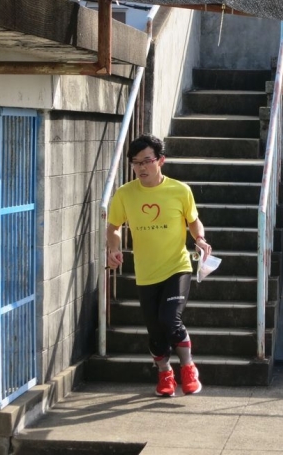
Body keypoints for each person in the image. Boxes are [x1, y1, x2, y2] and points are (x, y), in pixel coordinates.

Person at [106, 134, 212, 397]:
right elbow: (114, 226)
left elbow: (193, 220)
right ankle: (165, 373)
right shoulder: (125, 194)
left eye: (147, 161)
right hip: (146, 273)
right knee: (155, 332)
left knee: (170, 319)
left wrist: (199, 239)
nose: (141, 167)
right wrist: (114, 248)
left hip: (177, 266)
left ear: (160, 160)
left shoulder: (180, 190)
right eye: (135, 162)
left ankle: (188, 368)